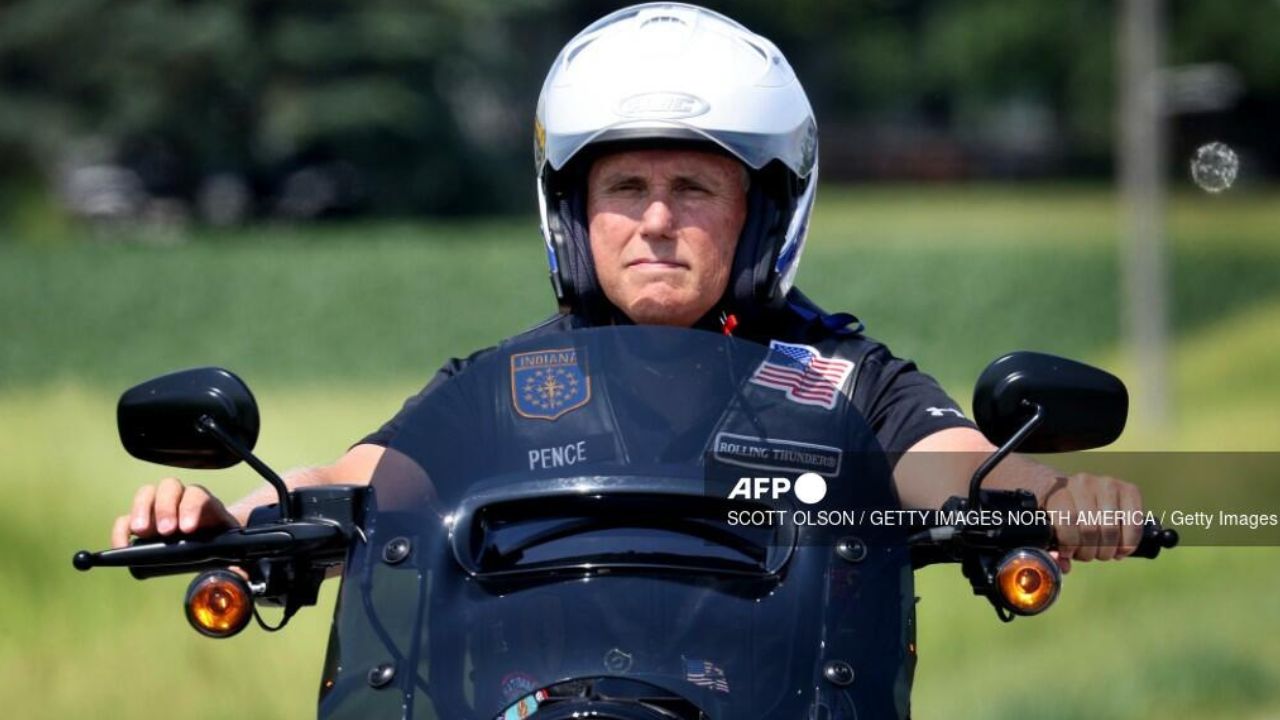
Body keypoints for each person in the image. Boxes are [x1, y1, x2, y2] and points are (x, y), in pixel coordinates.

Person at [111, 2, 1143, 571]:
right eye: (625, 187)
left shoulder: (840, 379)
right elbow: (357, 482)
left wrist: (1054, 496)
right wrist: (225, 517)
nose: (655, 220)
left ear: (763, 212)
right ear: (572, 212)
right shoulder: (511, 385)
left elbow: (953, 466)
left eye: (693, 187)